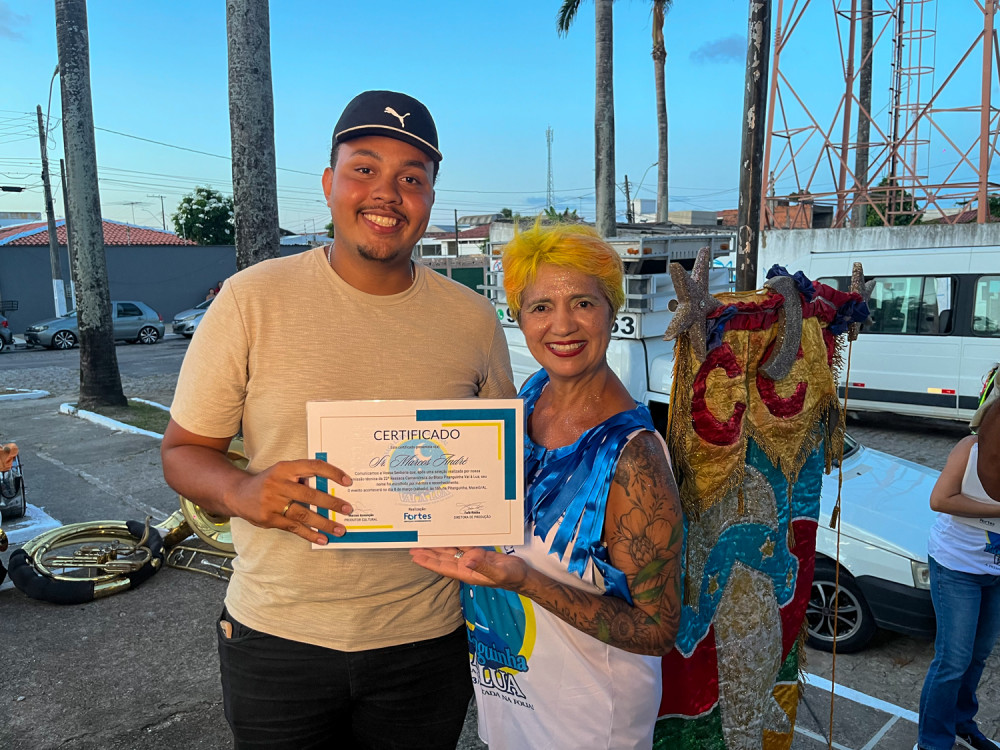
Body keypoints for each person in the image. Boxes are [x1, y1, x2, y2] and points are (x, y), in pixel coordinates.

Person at [161, 90, 515, 750]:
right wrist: (243, 490)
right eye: (365, 169)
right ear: (329, 184)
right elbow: (182, 451)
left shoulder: (472, 319)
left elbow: (497, 464)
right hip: (276, 639)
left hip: (426, 641)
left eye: (412, 178)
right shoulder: (250, 300)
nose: (387, 194)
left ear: (430, 199)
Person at [410, 223, 684, 749]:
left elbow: (657, 631)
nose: (562, 325)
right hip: (514, 701)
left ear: (611, 310)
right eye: (540, 307)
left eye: (583, 302)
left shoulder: (633, 456)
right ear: (518, 318)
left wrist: (524, 581)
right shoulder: (532, 395)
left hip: (589, 722)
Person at [916, 369, 1000, 750]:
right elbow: (940, 500)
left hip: (994, 573)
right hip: (956, 568)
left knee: (978, 656)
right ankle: (933, 742)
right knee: (953, 659)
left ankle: (962, 722)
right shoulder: (970, 448)